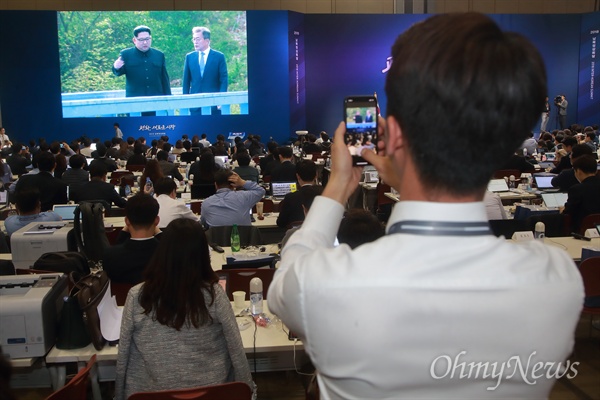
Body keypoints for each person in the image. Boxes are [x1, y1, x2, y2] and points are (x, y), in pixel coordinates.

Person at [268, 13, 583, 399]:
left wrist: (336, 187)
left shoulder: (328, 283)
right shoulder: (557, 280)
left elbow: (286, 278)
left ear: (394, 134)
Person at [115, 218, 255, 399]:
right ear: (202, 254)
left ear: (162, 251)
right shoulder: (214, 294)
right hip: (212, 393)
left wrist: (119, 396)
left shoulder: (138, 295)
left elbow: (123, 353)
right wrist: (248, 392)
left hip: (152, 393)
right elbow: (236, 349)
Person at [112, 25, 171, 115]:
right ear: (134, 40)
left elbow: (164, 79)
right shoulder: (126, 54)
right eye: (141, 40)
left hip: (156, 103)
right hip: (134, 103)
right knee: (135, 128)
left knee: (158, 128)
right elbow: (118, 72)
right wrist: (116, 67)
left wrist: (168, 100)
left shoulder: (159, 55)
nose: (145, 42)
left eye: (148, 39)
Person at [103, 194, 161, 285]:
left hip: (123, 299)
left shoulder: (110, 255)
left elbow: (117, 246)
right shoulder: (167, 254)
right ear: (157, 220)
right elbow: (166, 244)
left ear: (126, 221)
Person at [182, 26, 228, 115]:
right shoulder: (189, 57)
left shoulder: (219, 57)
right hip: (195, 105)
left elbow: (223, 80)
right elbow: (186, 82)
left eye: (198, 39)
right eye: (194, 39)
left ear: (207, 41)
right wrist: (185, 100)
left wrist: (221, 100)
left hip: (213, 105)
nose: (195, 42)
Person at [200, 169, 265, 228]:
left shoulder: (206, 203)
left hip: (217, 240)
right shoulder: (244, 197)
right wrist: (242, 182)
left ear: (216, 185)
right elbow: (260, 191)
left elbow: (204, 224)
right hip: (244, 240)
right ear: (233, 185)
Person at [561, 155, 600, 233]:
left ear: (578, 171)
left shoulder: (576, 189)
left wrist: (562, 210)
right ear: (596, 171)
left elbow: (568, 213)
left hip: (581, 230)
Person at [276, 160, 318, 228]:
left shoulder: (290, 198)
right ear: (316, 175)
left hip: (294, 236)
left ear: (297, 176)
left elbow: (281, 223)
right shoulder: (326, 195)